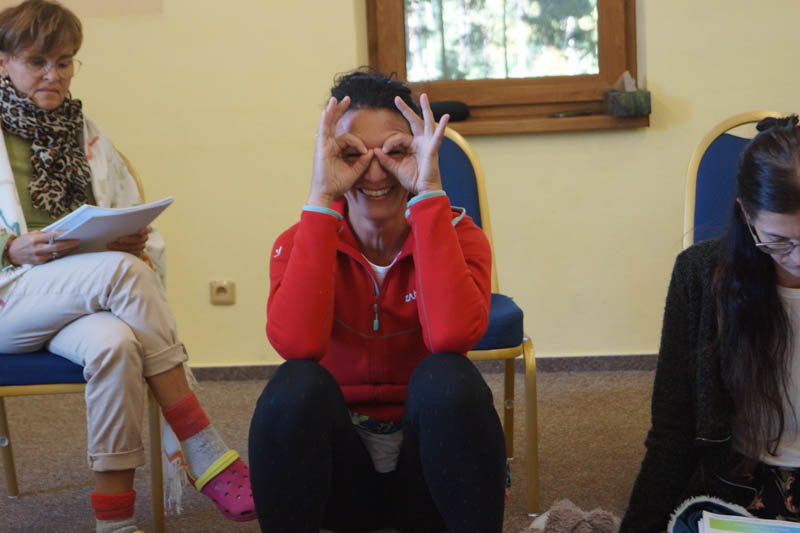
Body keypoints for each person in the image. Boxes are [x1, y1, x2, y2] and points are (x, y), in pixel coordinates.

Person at [0, 1, 255, 530]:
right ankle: (202, 444)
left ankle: (114, 522)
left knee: (116, 344)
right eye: (37, 62)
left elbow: (120, 210)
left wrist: (129, 237)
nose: (53, 75)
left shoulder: (87, 133)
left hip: (77, 298)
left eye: (64, 62)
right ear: (3, 62)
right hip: (10, 300)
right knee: (123, 273)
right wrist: (9, 248)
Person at [248, 70, 507, 533]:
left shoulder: (460, 236)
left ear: (419, 152)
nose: (373, 172)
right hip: (340, 475)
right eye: (351, 154)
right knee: (293, 387)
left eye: (395, 152)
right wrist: (322, 195)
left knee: (449, 377)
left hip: (426, 471)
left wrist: (428, 192)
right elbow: (296, 345)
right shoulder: (298, 241)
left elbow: (452, 336)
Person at [621, 115, 800, 532]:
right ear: (746, 214)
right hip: (743, 482)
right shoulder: (701, 276)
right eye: (779, 242)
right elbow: (673, 430)